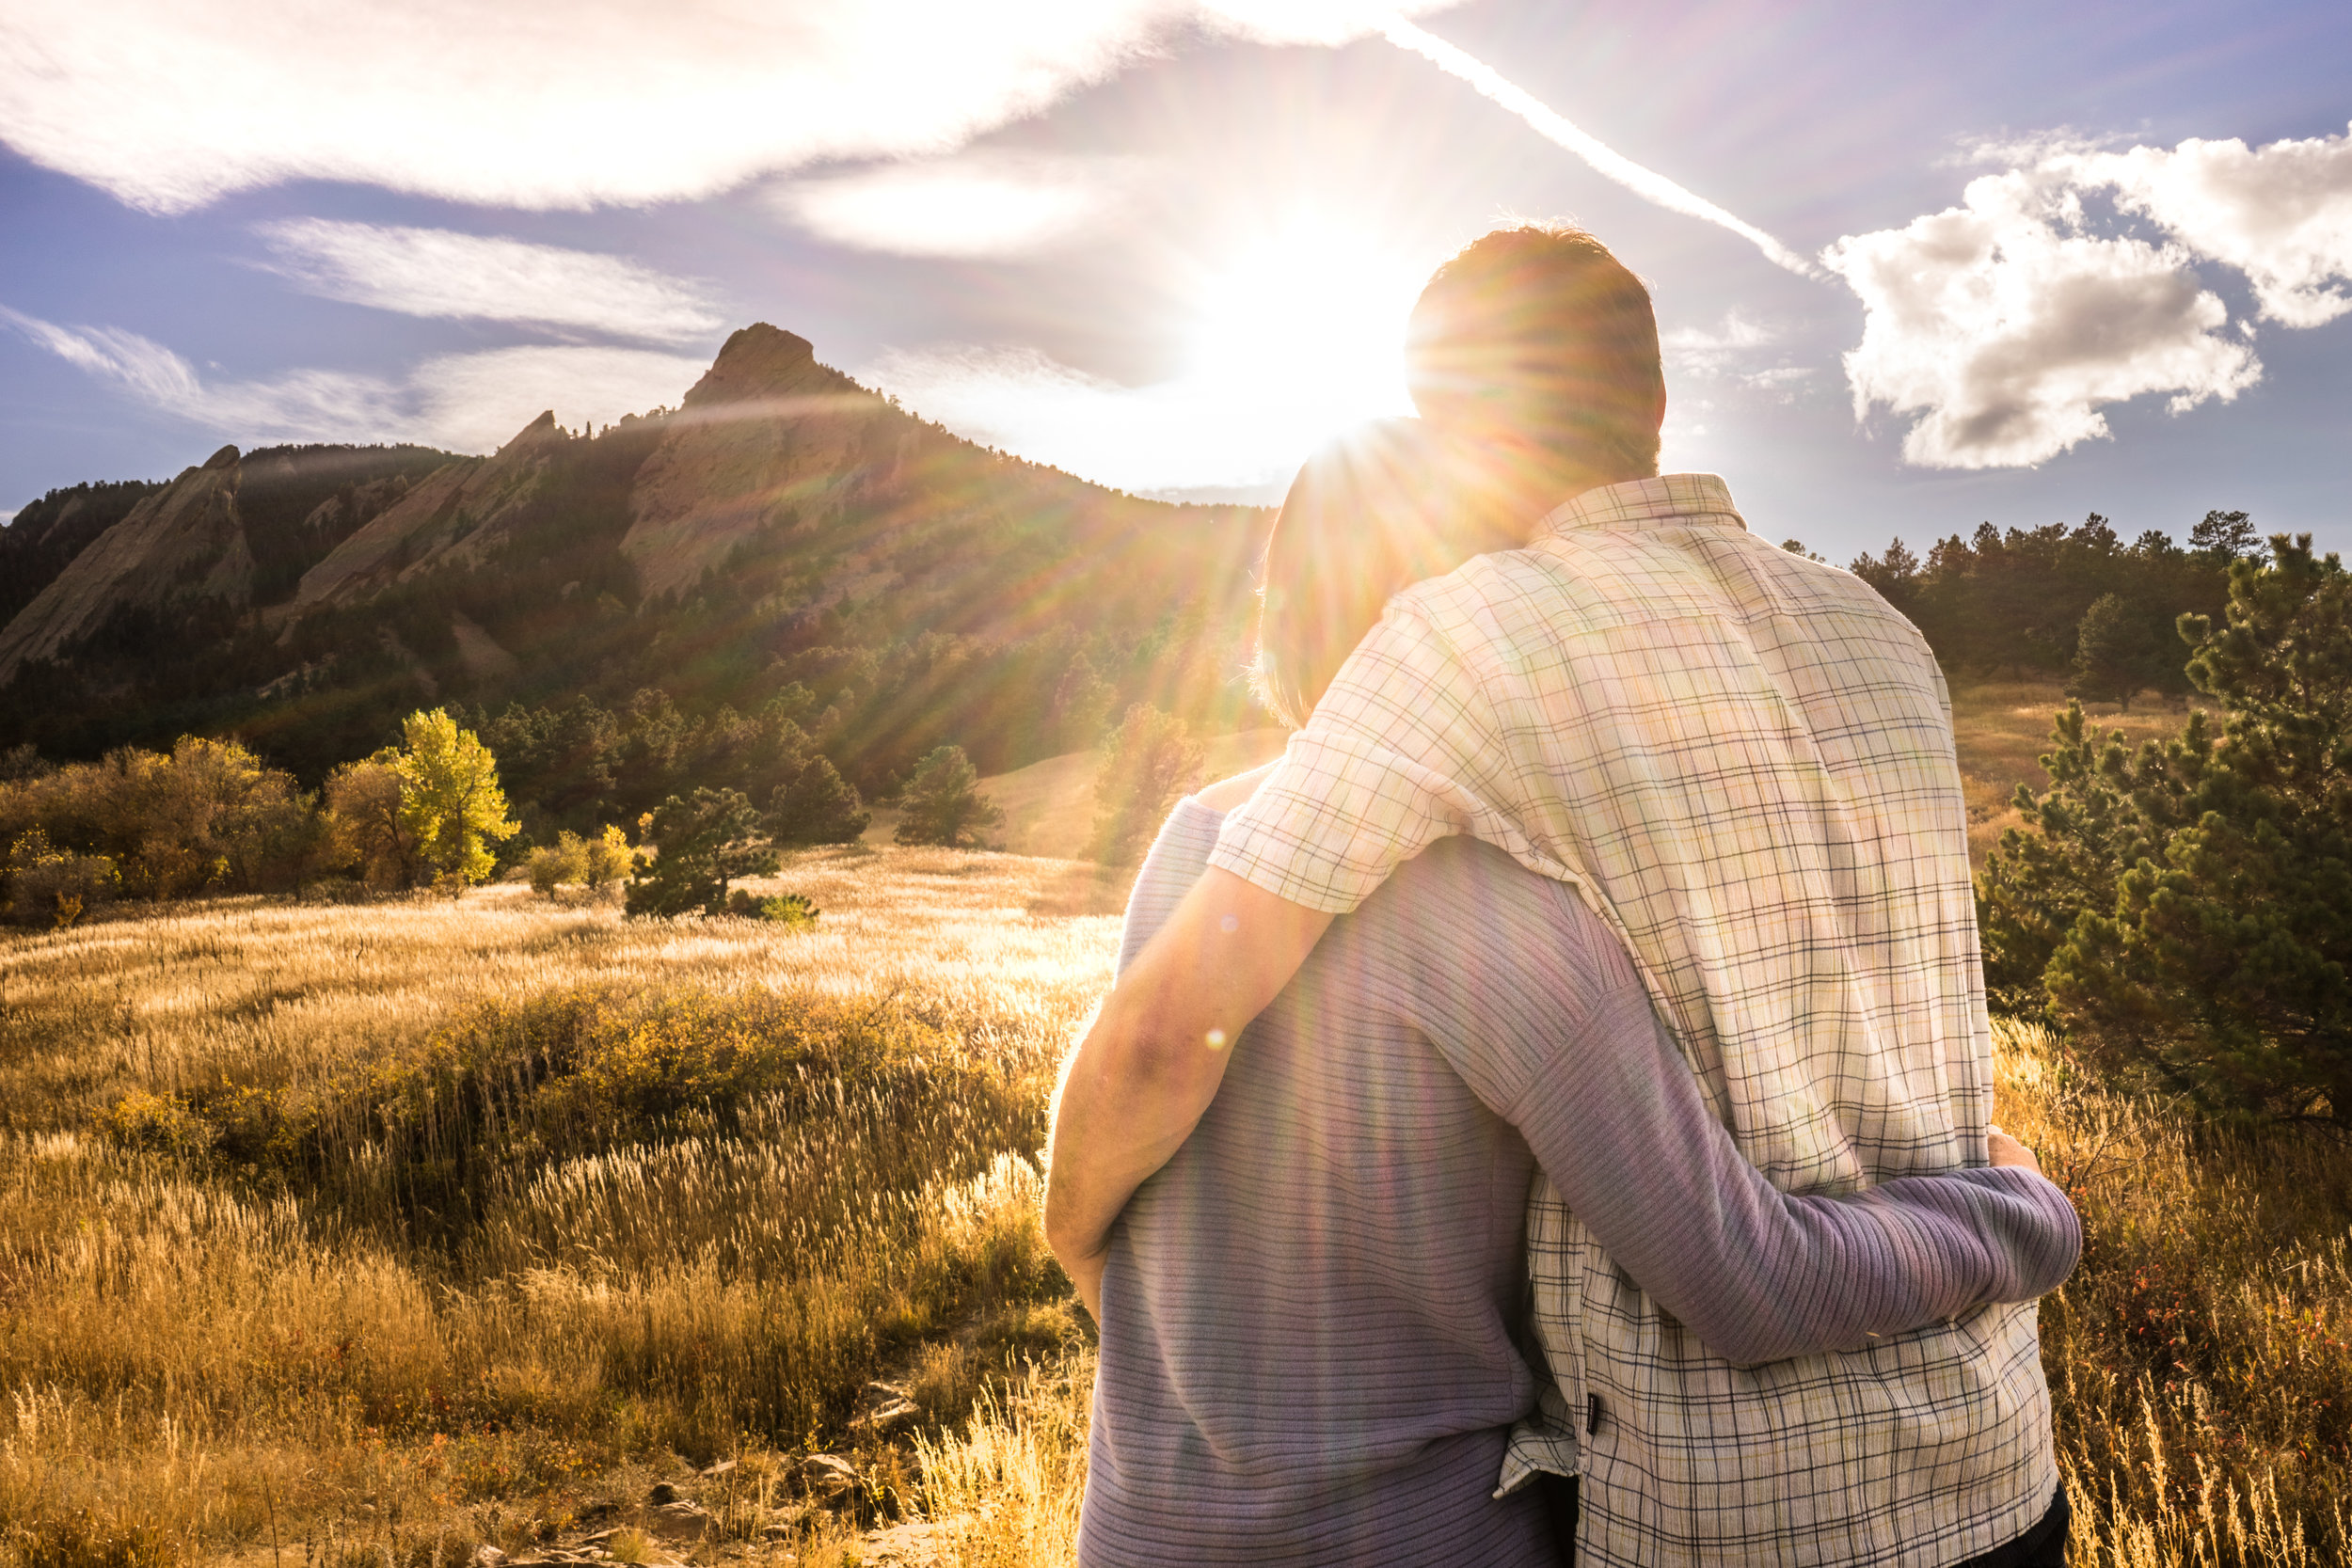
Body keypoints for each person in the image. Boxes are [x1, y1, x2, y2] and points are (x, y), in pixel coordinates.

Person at [1047, 225, 2070, 1565]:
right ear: (1654, 401)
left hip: (1728, 1506)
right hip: (1996, 1458)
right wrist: (2029, 1211)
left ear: (1447, 424)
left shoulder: (1443, 660)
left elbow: (1175, 1029)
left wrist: (1077, 1243)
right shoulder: (1887, 635)